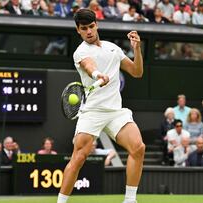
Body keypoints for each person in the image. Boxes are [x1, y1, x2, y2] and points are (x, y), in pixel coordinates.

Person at [57, 9, 145, 203]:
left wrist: (137, 49)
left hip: (115, 111)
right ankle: (61, 202)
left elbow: (137, 72)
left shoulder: (112, 48)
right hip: (92, 111)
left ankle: (130, 200)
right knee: (79, 157)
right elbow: (89, 66)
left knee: (138, 148)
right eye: (83, 29)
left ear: (96, 24)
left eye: (91, 26)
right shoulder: (80, 52)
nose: (88, 31)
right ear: (78, 30)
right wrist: (98, 75)